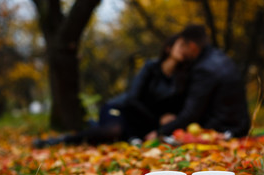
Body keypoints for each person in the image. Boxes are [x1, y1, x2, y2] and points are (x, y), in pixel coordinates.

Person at [33, 33, 188, 148]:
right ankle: (60, 141)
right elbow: (132, 99)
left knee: (121, 139)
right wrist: (157, 121)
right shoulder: (150, 68)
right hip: (119, 109)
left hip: (141, 122)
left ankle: (96, 128)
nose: (185, 50)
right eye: (181, 45)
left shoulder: (179, 80)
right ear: (169, 48)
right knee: (113, 131)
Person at [146, 24, 250, 140]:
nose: (181, 51)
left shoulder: (204, 69)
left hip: (224, 129)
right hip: (239, 125)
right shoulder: (220, 58)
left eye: (182, 46)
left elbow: (192, 113)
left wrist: (160, 132)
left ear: (192, 46)